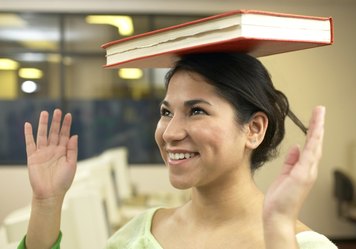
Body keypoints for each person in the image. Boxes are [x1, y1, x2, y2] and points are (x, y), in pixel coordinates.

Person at [19, 52, 337, 249]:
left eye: (196, 111)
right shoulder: (138, 235)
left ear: (253, 129)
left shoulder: (301, 244)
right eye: (166, 112)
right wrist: (46, 203)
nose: (170, 133)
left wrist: (278, 227)